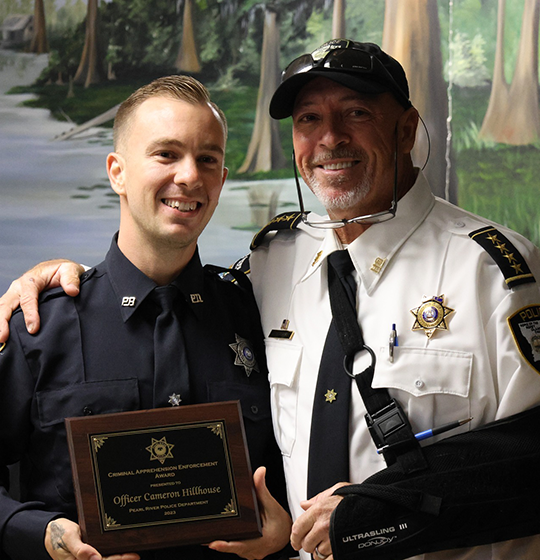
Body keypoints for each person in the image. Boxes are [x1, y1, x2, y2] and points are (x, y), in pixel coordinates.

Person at [2, 39, 540, 560]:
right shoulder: (272, 266)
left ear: (405, 129)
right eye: (308, 119)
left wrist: (371, 514)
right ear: (116, 171)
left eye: (355, 112)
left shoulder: (494, 271)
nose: (330, 138)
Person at [0, 75, 291, 560]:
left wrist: (287, 530)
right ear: (117, 172)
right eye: (166, 154)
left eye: (208, 159)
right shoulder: (39, 327)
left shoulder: (266, 317)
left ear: (221, 179)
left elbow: (306, 462)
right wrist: (42, 533)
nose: (189, 176)